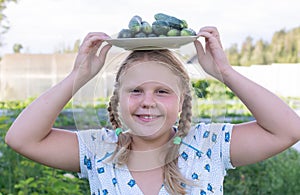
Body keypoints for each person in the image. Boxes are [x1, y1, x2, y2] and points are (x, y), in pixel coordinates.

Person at [5, 26, 300, 195]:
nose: (148, 101)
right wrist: (77, 78)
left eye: (162, 91)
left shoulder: (208, 145)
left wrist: (225, 72)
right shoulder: (99, 149)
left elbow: (288, 130)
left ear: (182, 100)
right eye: (135, 91)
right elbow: (21, 139)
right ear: (118, 99)